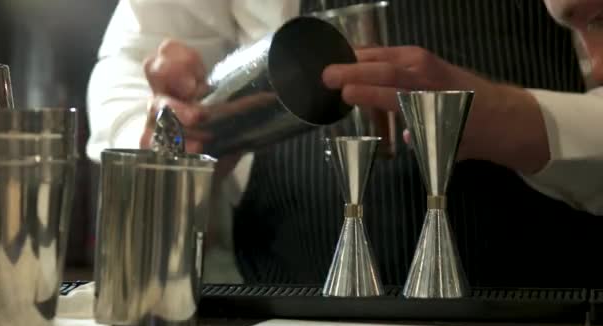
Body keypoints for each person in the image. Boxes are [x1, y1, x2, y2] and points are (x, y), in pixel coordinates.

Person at [87, 0, 603, 287]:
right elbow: (134, 67)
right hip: (292, 307)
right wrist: (172, 133)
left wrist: (519, 120)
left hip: (549, 308)